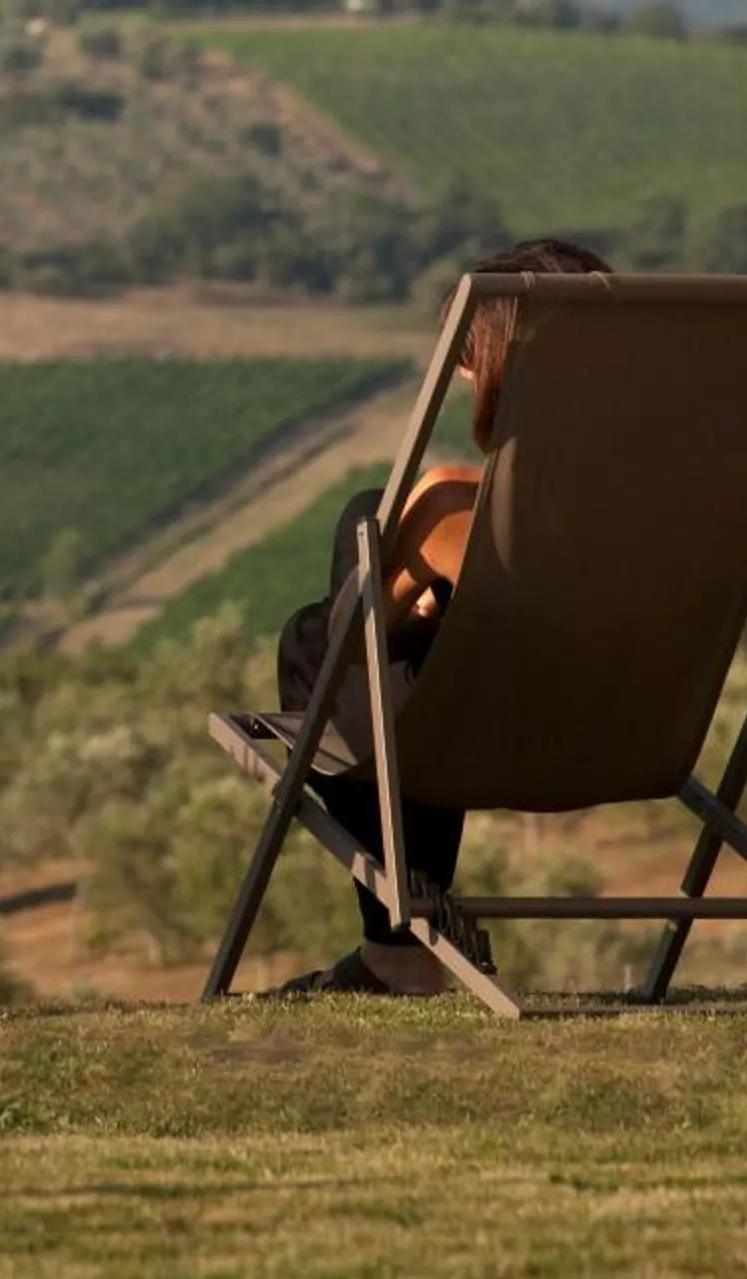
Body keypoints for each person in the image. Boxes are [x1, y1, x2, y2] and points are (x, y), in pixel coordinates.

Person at [270, 236, 614, 997]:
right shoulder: (677, 500)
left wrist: (409, 598)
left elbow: (346, 652)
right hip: (630, 733)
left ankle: (397, 951)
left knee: (323, 621)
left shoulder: (457, 505)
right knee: (406, 629)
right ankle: (397, 949)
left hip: (500, 739)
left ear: (486, 365)